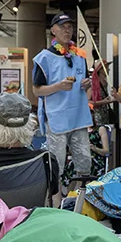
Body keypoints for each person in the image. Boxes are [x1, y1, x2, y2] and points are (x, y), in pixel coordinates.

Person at [33, 14, 92, 188]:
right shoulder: (44, 58)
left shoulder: (80, 56)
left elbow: (84, 83)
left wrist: (86, 84)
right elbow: (36, 90)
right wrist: (58, 86)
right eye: (62, 27)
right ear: (53, 30)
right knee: (56, 164)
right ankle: (55, 200)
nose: (67, 30)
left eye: (70, 27)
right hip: (56, 118)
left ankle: (78, 197)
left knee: (85, 162)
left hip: (79, 117)